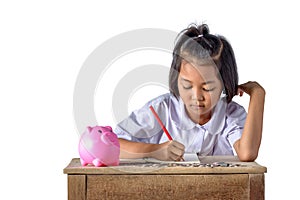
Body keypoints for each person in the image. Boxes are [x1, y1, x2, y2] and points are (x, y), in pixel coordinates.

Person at [114, 24, 265, 162]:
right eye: (187, 86)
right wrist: (154, 150)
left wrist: (258, 94)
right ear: (176, 79)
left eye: (207, 88)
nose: (196, 97)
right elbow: (113, 145)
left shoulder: (230, 114)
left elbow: (247, 154)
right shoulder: (161, 108)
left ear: (225, 84)